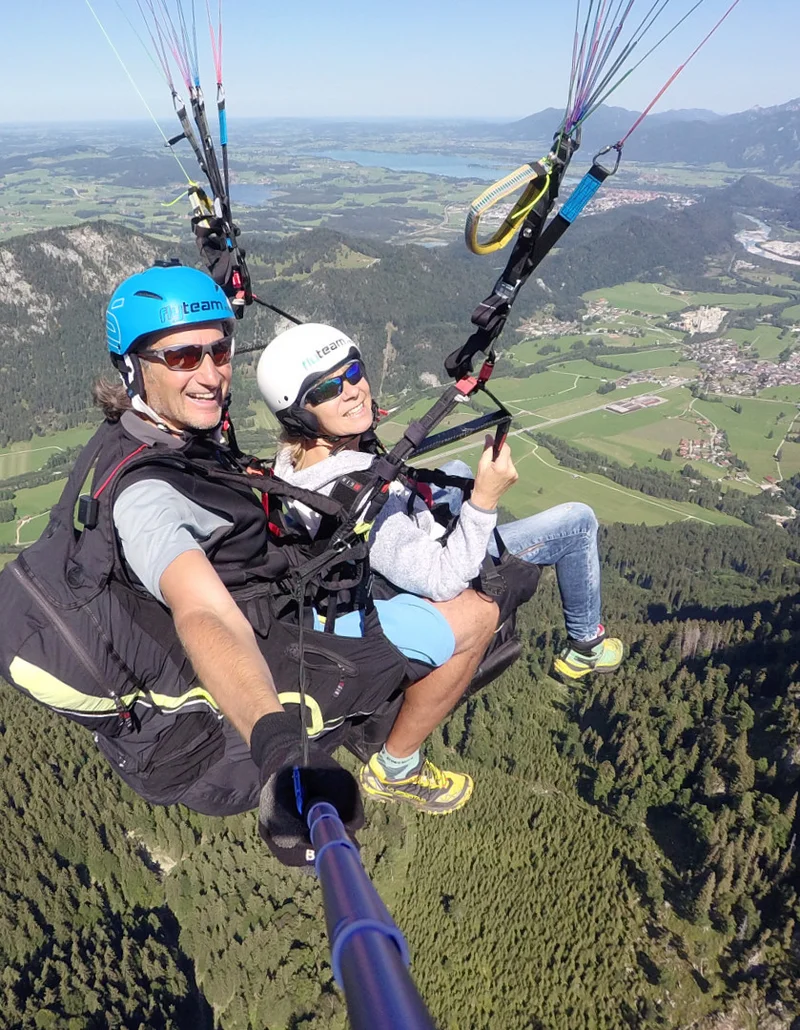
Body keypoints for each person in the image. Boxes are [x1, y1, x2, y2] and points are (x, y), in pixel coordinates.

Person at [0, 264, 501, 868]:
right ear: (133, 368)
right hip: (236, 716)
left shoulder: (146, 432)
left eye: (220, 349)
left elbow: (213, 441)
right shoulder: (148, 500)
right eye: (184, 357)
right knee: (478, 614)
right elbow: (204, 612)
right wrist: (277, 748)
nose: (210, 374)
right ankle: (397, 765)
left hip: (261, 616)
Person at [256, 322, 625, 764]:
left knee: (454, 469)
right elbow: (444, 579)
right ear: (298, 412)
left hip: (376, 558)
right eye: (328, 388)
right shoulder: (358, 497)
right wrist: (485, 502)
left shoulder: (295, 463)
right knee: (577, 522)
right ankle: (584, 646)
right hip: (415, 575)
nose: (353, 390)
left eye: (354, 372)